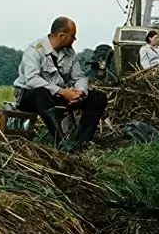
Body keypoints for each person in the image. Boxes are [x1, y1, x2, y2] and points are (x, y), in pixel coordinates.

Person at [13, 16, 108, 148]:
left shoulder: (70, 53)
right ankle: (62, 142)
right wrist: (62, 92)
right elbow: (32, 80)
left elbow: (79, 76)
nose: (75, 40)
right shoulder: (35, 50)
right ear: (62, 35)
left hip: (57, 95)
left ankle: (81, 143)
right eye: (72, 36)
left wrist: (80, 92)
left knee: (98, 98)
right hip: (29, 96)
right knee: (41, 93)